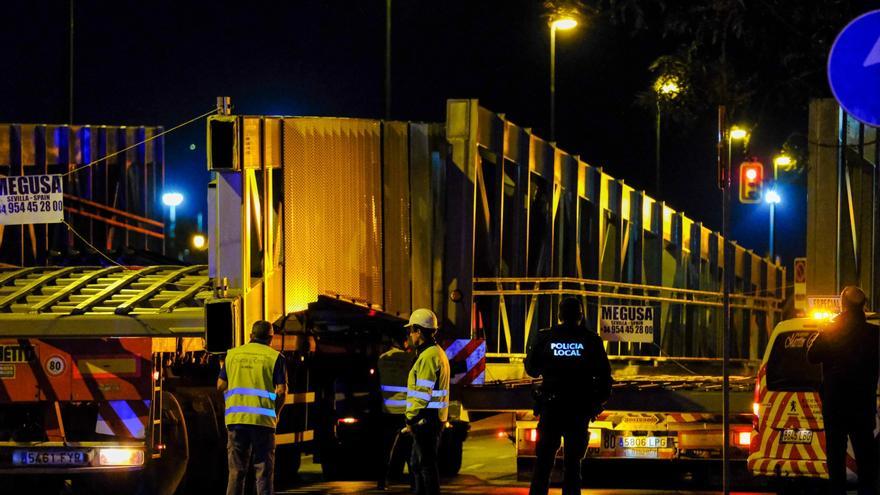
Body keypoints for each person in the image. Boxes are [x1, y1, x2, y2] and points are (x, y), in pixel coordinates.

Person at [524, 297, 612, 495]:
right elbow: (605, 378)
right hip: (578, 411)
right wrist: (596, 403)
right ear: (580, 316)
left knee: (543, 465)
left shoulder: (545, 338)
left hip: (551, 409)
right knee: (573, 467)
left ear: (560, 315)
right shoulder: (591, 340)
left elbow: (532, 370)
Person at [807, 286, 879, 495]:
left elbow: (811, 356)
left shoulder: (832, 331)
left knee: (836, 460)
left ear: (842, 305)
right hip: (862, 407)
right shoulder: (874, 334)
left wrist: (825, 329)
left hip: (835, 407)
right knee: (866, 459)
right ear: (863, 306)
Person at [218, 320, 288, 495]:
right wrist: (276, 413)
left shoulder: (232, 355)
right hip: (263, 422)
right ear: (271, 338)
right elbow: (281, 391)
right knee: (264, 471)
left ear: (251, 336)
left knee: (236, 472)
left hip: (236, 421)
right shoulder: (275, 357)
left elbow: (220, 385)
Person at [403, 308, 451, 495]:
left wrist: (410, 418)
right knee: (419, 464)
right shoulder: (436, 353)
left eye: (411, 330)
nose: (410, 335)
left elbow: (422, 393)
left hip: (426, 421)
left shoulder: (428, 356)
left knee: (425, 466)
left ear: (419, 331)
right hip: (432, 419)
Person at [376, 328, 416, 490]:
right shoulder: (409, 359)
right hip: (405, 412)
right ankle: (414, 483)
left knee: (386, 450)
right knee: (408, 450)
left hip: (387, 411)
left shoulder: (382, 359)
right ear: (404, 341)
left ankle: (381, 482)